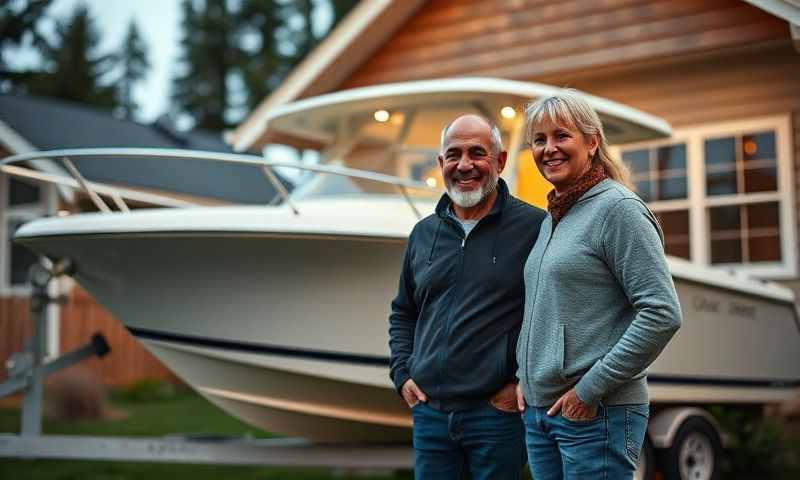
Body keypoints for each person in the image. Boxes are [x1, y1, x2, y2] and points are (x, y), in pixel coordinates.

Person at [515, 90, 682, 479]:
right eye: (539, 140)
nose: (549, 148)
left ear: (592, 142)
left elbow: (662, 312)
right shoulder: (553, 216)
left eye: (561, 136)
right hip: (542, 413)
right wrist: (524, 376)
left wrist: (590, 390)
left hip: (596, 413)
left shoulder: (618, 210)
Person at [389, 114, 546, 479]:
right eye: (454, 154)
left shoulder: (534, 228)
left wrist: (522, 382)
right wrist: (402, 372)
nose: (465, 165)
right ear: (441, 164)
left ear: (500, 161)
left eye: (477, 153)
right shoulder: (423, 234)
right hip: (431, 416)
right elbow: (404, 311)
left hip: (496, 417)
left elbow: (551, 313)